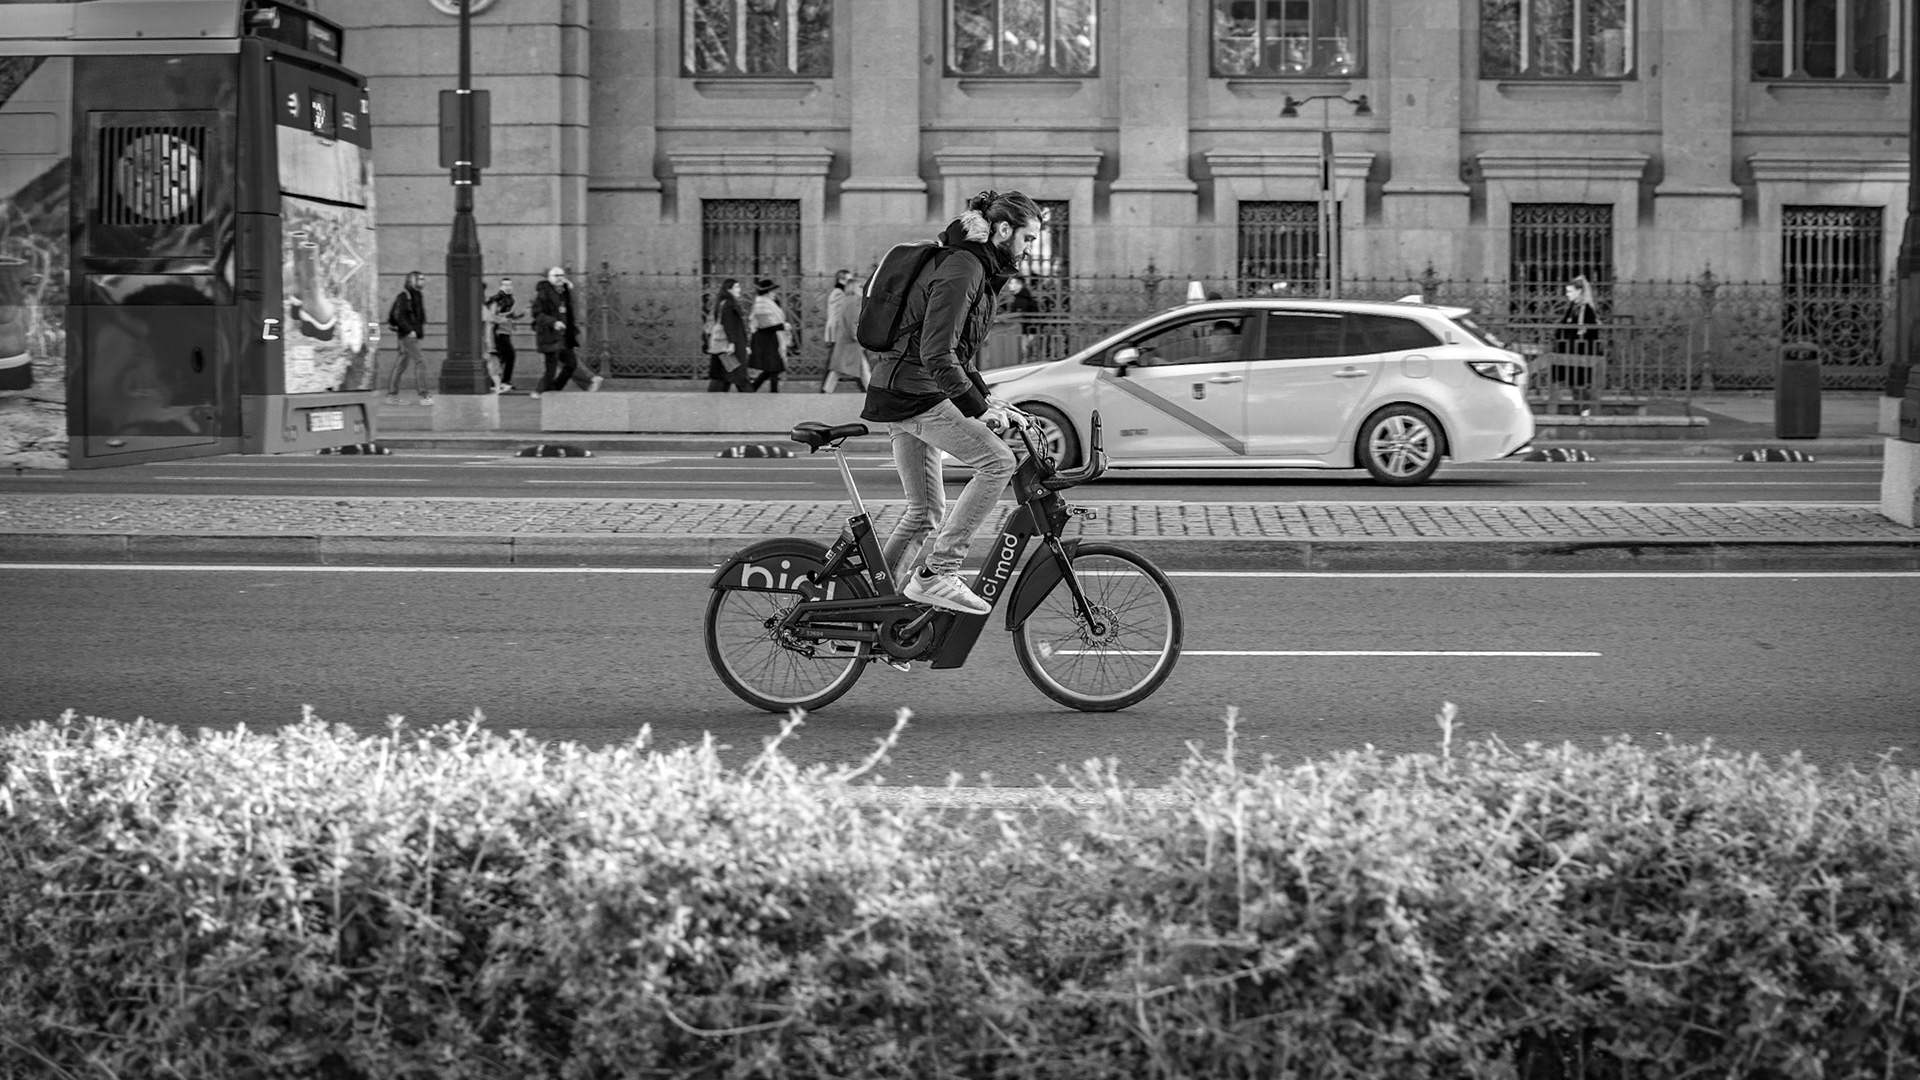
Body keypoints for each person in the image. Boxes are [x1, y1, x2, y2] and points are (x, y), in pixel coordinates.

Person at [862, 188, 1042, 616]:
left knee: (924, 512)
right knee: (998, 461)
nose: (1030, 249)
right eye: (1028, 239)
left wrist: (992, 401)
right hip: (916, 392)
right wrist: (978, 410)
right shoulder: (963, 268)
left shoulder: (974, 267)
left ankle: (875, 614)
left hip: (902, 388)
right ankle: (939, 572)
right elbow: (936, 354)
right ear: (1003, 230)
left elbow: (958, 356)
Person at [530, 266, 597, 398]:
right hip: (549, 335)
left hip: (565, 335)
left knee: (571, 364)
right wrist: (554, 322)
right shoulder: (544, 292)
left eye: (562, 275)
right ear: (549, 278)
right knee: (551, 367)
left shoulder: (564, 292)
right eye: (556, 276)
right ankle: (545, 392)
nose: (560, 278)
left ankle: (554, 388)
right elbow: (537, 313)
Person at [383, 270, 432, 406]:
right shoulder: (405, 296)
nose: (423, 281)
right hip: (407, 335)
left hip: (407, 335)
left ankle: (392, 395)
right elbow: (398, 316)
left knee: (401, 364)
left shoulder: (416, 295)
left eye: (424, 279)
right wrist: (410, 330)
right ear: (412, 281)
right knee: (420, 362)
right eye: (420, 279)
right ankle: (424, 395)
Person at [1552, 274, 1601, 404]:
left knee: (1579, 383)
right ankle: (1581, 408)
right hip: (1569, 351)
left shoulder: (1586, 310)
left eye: (1570, 291)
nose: (1567, 294)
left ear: (1579, 291)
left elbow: (1590, 333)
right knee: (1572, 382)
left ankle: (1585, 408)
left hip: (1580, 353)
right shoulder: (1573, 307)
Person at [821, 273, 869, 393]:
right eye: (860, 287)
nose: (862, 289)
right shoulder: (854, 302)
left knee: (841, 368)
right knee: (859, 368)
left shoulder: (848, 299)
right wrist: (858, 338)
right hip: (850, 341)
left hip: (845, 340)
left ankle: (827, 390)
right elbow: (852, 321)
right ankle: (872, 391)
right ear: (853, 288)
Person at [705, 278, 752, 392]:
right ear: (729, 289)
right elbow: (729, 324)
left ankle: (715, 394)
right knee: (735, 371)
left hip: (726, 343)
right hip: (729, 344)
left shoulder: (724, 303)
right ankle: (748, 395)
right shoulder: (729, 304)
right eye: (737, 287)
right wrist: (731, 343)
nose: (739, 290)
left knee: (727, 371)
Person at [747, 278, 789, 393]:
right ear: (767, 292)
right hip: (766, 337)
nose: (774, 293)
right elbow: (770, 323)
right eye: (772, 291)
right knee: (773, 366)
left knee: (773, 367)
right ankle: (764, 389)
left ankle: (755, 388)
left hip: (768, 337)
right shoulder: (763, 303)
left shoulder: (765, 302)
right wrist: (783, 327)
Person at [1003, 273, 1040, 362]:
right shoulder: (1023, 297)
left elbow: (1022, 319)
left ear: (1019, 284)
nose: (1009, 285)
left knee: (1025, 355)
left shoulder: (1021, 300)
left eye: (1012, 283)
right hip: (1027, 332)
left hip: (1024, 333)